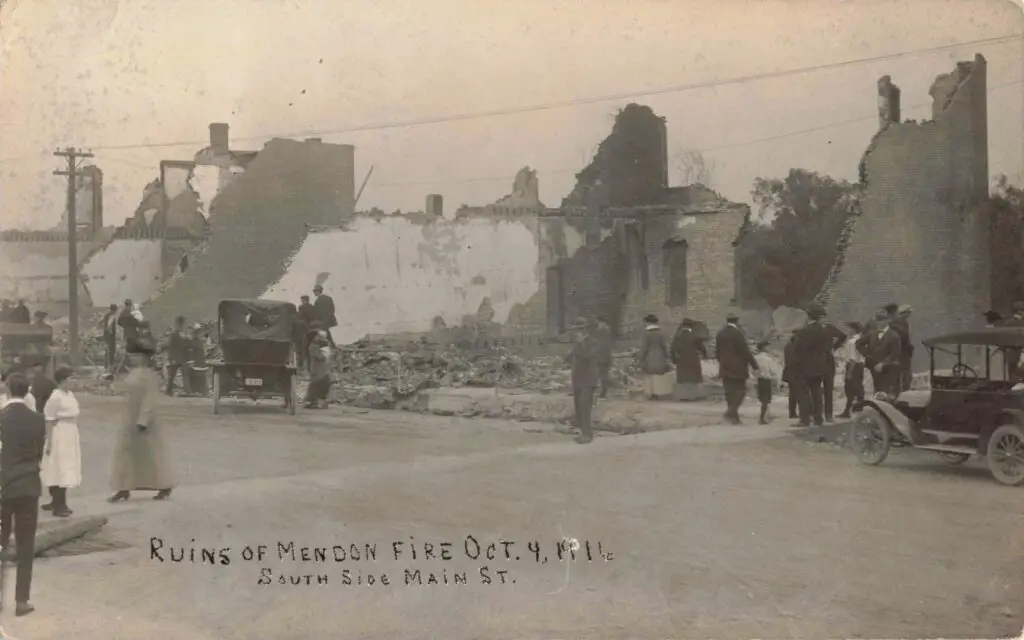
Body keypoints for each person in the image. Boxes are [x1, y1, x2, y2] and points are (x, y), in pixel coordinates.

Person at [108, 338, 175, 502]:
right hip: (129, 417)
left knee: (151, 453)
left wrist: (143, 420)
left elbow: (150, 399)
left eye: (135, 355)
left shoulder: (150, 376)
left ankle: (164, 486)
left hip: (145, 420)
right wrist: (112, 382)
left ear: (144, 357)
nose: (132, 358)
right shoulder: (133, 373)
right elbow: (126, 390)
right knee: (125, 452)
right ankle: (123, 487)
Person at [0, 372, 44, 616]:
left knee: (0, 542)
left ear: (6, 389)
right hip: (28, 485)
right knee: (26, 545)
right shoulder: (38, 420)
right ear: (27, 392)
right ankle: (21, 600)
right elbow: (39, 453)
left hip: (3, 486)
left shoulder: (1, 418)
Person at [40, 366, 81, 518]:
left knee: (68, 466)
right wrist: (49, 441)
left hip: (70, 433)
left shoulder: (70, 395)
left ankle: (58, 502)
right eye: (71, 378)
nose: (73, 381)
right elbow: (49, 420)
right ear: (62, 380)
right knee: (59, 467)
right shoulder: (55, 397)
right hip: (59, 434)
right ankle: (58, 504)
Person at [715, 313, 760, 425]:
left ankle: (734, 418)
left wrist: (723, 362)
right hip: (738, 367)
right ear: (737, 321)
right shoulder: (738, 334)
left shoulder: (720, 334)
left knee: (729, 392)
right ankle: (730, 412)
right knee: (740, 391)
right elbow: (745, 351)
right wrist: (754, 365)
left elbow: (717, 352)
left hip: (725, 367)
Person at [793, 303, 832, 427]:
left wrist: (796, 364)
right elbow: (826, 348)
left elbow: (800, 350)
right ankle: (818, 418)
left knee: (803, 393)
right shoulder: (823, 330)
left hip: (805, 367)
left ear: (808, 316)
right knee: (816, 393)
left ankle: (805, 419)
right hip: (820, 366)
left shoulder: (805, 331)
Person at [566, 317, 599, 444]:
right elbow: (568, 359)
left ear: (584, 330)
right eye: (574, 330)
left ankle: (587, 434)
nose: (575, 332)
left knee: (585, 408)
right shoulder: (577, 344)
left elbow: (589, 356)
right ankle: (583, 432)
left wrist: (581, 344)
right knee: (578, 408)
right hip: (577, 379)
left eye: (578, 330)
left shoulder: (593, 343)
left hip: (588, 380)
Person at [858, 310, 903, 396]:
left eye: (880, 321)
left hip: (889, 370)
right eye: (877, 321)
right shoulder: (872, 334)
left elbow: (895, 353)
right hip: (874, 369)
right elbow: (859, 344)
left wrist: (883, 363)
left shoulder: (894, 336)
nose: (878, 323)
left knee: (888, 394)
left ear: (887, 321)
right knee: (877, 393)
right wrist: (868, 356)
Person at [637, 314, 673, 400]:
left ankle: (650, 393)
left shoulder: (646, 334)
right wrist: (668, 356)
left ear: (648, 322)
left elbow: (644, 347)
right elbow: (665, 346)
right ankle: (658, 393)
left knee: (649, 375)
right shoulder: (661, 333)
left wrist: (640, 358)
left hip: (649, 357)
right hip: (660, 356)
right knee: (658, 375)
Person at [670, 318, 707, 401]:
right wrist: (704, 355)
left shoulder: (678, 337)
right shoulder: (694, 336)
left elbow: (673, 349)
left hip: (682, 360)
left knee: (683, 379)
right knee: (694, 378)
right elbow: (701, 348)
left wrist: (674, 360)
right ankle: (695, 395)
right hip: (693, 359)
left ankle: (684, 396)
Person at [838, 322, 866, 418]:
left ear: (854, 329)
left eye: (849, 329)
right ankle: (857, 408)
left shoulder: (852, 342)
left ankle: (848, 410)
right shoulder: (861, 339)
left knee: (850, 389)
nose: (847, 331)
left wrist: (849, 372)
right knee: (858, 388)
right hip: (860, 365)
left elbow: (853, 358)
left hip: (853, 366)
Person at [752, 340, 781, 425]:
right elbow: (773, 370)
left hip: (759, 379)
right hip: (767, 379)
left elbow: (752, 370)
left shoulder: (755, 358)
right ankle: (763, 417)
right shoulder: (768, 359)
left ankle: (764, 416)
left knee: (762, 399)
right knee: (766, 400)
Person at [304, 332, 333, 410]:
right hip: (318, 368)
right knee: (317, 385)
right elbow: (320, 357)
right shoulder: (314, 347)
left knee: (322, 384)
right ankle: (314, 402)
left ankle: (318, 402)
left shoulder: (319, 346)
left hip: (322, 368)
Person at [164, 316, 191, 396]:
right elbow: (170, 347)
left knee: (185, 374)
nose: (182, 327)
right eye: (181, 325)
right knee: (172, 376)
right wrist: (171, 358)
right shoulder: (174, 335)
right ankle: (168, 390)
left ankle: (187, 390)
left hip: (182, 358)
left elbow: (186, 347)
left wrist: (186, 339)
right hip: (175, 358)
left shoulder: (183, 335)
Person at [891, 304, 914, 391]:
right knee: (905, 374)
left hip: (898, 353)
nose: (909, 315)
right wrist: (909, 347)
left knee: (901, 374)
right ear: (904, 313)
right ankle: (905, 391)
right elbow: (905, 338)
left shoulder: (895, 323)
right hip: (902, 353)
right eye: (909, 313)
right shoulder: (902, 323)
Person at [591, 316, 613, 399]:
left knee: (602, 374)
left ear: (601, 321)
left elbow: (601, 344)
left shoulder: (603, 331)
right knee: (602, 374)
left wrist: (595, 352)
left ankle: (603, 392)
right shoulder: (606, 330)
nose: (595, 322)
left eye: (597, 321)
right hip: (604, 355)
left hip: (602, 356)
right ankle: (603, 391)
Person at [782, 330, 802, 420]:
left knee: (792, 393)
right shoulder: (797, 347)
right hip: (797, 371)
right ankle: (799, 412)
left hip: (789, 372)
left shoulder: (787, 346)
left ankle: (792, 412)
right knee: (799, 393)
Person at [296, 295, 316, 370]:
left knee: (302, 348)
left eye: (302, 300)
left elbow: (300, 318)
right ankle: (309, 366)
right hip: (312, 330)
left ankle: (301, 366)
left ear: (303, 300)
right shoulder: (313, 307)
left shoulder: (301, 307)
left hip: (304, 330)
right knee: (309, 349)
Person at [101, 303, 119, 372]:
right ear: (113, 310)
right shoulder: (109, 316)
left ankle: (109, 365)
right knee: (110, 351)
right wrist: (110, 332)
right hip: (109, 336)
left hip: (110, 336)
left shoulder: (108, 315)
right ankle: (108, 366)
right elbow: (108, 326)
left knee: (110, 351)